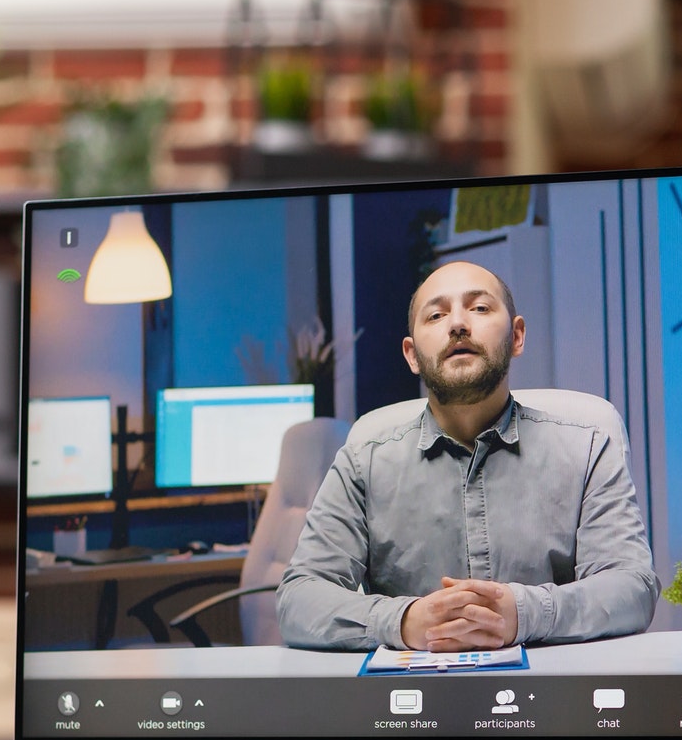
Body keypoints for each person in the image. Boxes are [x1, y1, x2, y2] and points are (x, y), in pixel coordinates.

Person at [276, 260, 658, 652]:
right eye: (437, 315)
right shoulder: (364, 460)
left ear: (517, 336)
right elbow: (299, 599)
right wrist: (404, 622)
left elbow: (632, 588)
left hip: (550, 699)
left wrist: (525, 614)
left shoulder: (587, 446)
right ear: (411, 355)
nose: (458, 324)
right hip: (412, 702)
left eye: (479, 308)